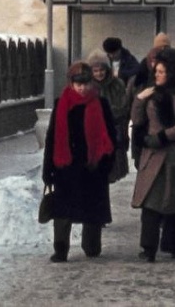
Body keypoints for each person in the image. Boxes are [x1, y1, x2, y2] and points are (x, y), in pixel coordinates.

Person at [42, 60, 116, 262]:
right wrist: (48, 168)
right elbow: (52, 137)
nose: (82, 88)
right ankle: (61, 249)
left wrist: (107, 163)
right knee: (63, 212)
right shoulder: (62, 103)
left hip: (93, 167)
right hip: (66, 167)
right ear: (71, 83)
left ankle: (91, 244)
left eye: (85, 83)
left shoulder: (100, 104)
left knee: (92, 210)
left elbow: (110, 135)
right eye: (78, 83)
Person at [130, 47, 175, 261]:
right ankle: (148, 247)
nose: (157, 75)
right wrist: (140, 99)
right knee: (150, 203)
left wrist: (165, 136)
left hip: (173, 156)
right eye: (155, 71)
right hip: (151, 154)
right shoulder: (151, 93)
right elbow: (138, 121)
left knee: (173, 203)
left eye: (161, 71)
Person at [87, 49, 131, 183]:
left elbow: (123, 108)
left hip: (114, 134)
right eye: (95, 70)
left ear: (107, 69)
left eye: (101, 70)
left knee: (113, 175)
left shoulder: (117, 84)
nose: (99, 73)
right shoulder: (87, 87)